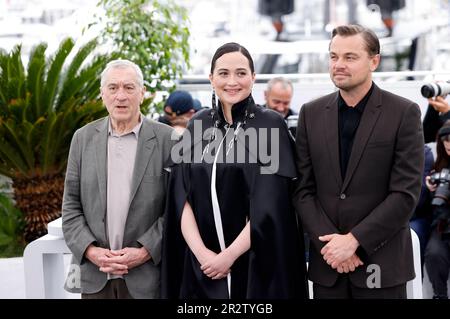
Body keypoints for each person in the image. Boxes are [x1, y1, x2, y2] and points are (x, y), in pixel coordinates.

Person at [162, 42, 307, 299]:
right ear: (211, 78)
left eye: (241, 73)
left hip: (254, 265)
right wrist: (202, 254)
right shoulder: (198, 123)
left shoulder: (269, 125)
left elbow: (270, 205)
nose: (232, 81)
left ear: (253, 78)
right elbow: (180, 195)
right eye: (223, 73)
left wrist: (228, 257)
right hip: (202, 266)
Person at [294, 24, 424, 299]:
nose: (338, 65)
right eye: (333, 56)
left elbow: (405, 194)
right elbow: (304, 191)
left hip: (382, 266)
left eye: (349, 57)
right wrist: (332, 247)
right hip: (328, 268)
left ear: (374, 61)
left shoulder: (404, 113)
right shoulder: (310, 114)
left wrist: (354, 241)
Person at [62, 59, 175, 299]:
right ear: (102, 94)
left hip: (147, 278)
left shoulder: (168, 140)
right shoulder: (82, 139)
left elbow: (177, 210)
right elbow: (70, 207)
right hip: (95, 276)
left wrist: (145, 251)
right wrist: (91, 251)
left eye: (129, 88)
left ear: (142, 93)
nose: (120, 96)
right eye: (113, 88)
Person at [424, 121, 450, 299]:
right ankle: (439, 295)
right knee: (434, 253)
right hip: (441, 226)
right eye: (446, 140)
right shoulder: (438, 167)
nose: (449, 144)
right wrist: (427, 187)